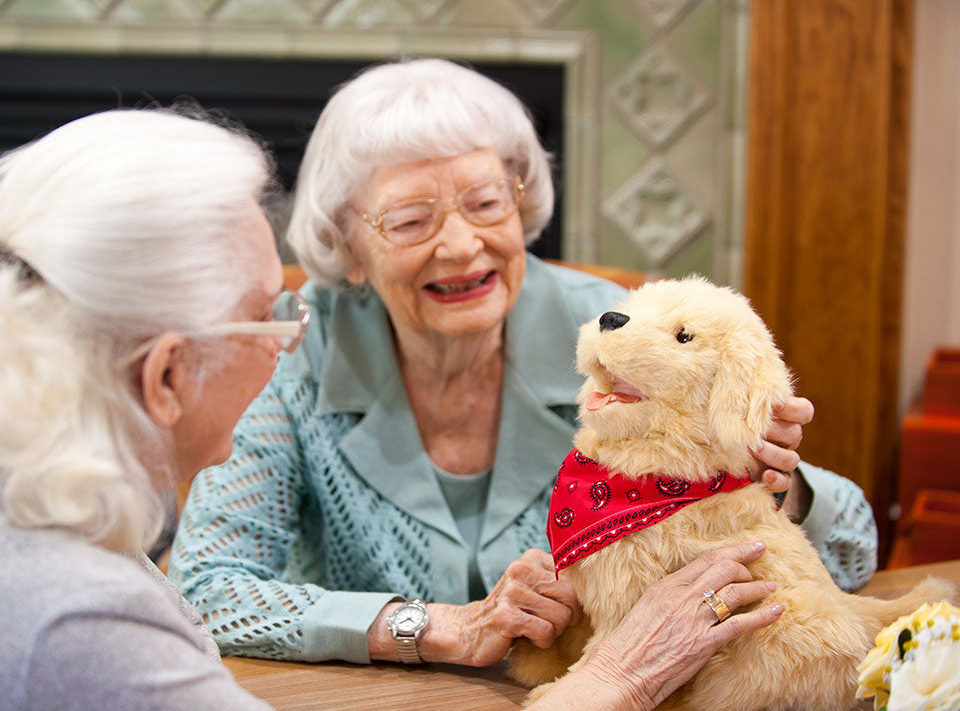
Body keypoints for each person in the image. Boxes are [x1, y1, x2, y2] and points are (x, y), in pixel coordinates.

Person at [0, 109, 784, 711]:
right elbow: (212, 592)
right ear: (166, 375)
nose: (287, 338)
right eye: (267, 312)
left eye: (486, 202)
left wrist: (766, 468)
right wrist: (616, 680)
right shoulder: (79, 620)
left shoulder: (63, 529)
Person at [170, 58, 877, 668]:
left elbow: (853, 548)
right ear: (346, 243)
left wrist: (774, 487)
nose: (461, 246)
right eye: (412, 221)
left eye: (484, 203)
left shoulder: (619, 332)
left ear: (519, 197)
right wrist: (431, 627)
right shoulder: (299, 349)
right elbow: (203, 593)